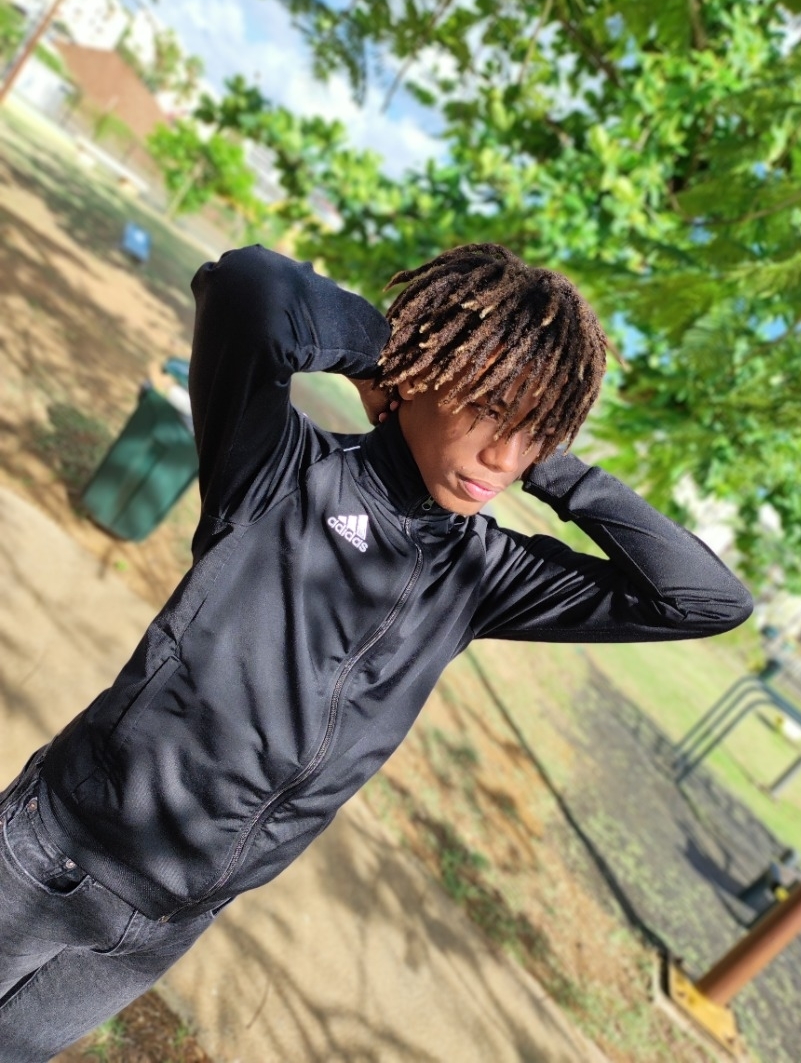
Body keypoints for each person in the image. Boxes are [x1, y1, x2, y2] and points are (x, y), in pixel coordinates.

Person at [0, 243, 752, 1059]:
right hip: (59, 855)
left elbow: (705, 600)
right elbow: (247, 288)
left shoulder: (483, 575)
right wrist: (395, 356)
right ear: (429, 374)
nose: (503, 458)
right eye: (488, 408)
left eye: (533, 433)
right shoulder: (284, 472)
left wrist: (556, 468)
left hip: (169, 922)